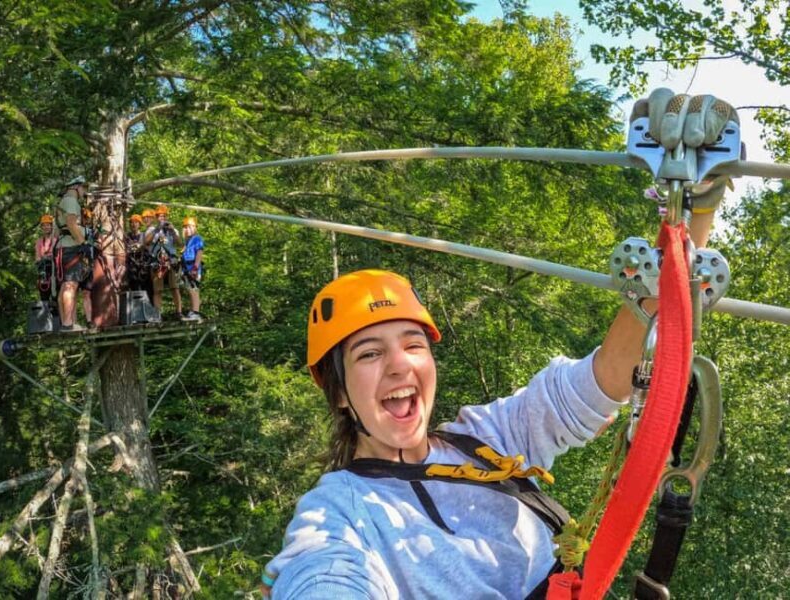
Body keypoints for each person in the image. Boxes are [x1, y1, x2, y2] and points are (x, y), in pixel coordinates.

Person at [261, 90, 735, 599]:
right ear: (338, 391)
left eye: (413, 344)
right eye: (370, 354)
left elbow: (603, 382)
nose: (400, 365)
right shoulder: (340, 512)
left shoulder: (487, 439)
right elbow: (321, 573)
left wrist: (692, 205)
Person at [55, 176, 89, 332]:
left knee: (65, 286)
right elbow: (71, 223)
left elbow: (60, 228)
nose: (85, 191)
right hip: (70, 248)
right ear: (76, 187)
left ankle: (66, 322)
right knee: (70, 285)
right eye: (83, 188)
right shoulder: (71, 201)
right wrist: (83, 242)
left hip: (62, 247)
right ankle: (68, 323)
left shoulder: (62, 202)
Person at [145, 204, 183, 317]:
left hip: (171, 262)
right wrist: (157, 230)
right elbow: (146, 242)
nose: (162, 218)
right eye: (159, 216)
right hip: (157, 263)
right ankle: (157, 314)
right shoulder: (152, 229)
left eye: (164, 216)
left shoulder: (172, 230)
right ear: (156, 217)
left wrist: (172, 231)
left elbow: (180, 244)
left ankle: (179, 312)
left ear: (167, 217)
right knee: (158, 290)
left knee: (174, 287)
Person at [180, 216, 204, 321]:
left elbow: (199, 253)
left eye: (190, 227)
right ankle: (193, 310)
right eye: (186, 227)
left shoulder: (197, 239)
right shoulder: (187, 241)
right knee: (190, 289)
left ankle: (196, 312)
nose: (187, 229)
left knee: (194, 289)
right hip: (187, 268)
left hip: (193, 267)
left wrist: (195, 267)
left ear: (194, 227)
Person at [35, 214, 56, 302]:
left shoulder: (56, 240)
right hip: (44, 271)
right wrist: (42, 259)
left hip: (55, 271)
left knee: (56, 295)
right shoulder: (39, 242)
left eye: (48, 225)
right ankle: (45, 311)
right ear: (42, 227)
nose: (46, 227)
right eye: (44, 225)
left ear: (51, 227)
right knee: (44, 296)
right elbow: (37, 258)